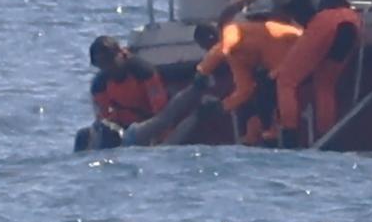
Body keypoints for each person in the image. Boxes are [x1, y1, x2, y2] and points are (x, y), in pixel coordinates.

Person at [219, 0, 372, 147]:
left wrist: (221, 23)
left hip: (323, 23)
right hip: (351, 20)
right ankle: (329, 139)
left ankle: (289, 137)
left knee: (286, 80)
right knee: (325, 84)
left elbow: (240, 2)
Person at [194, 17, 303, 146]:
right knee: (263, 93)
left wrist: (203, 70)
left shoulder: (232, 30)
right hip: (277, 63)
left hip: (296, 44)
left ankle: (289, 133)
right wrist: (222, 107)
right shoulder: (235, 56)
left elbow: (226, 46)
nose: (207, 50)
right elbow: (245, 90)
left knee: (272, 87)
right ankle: (269, 136)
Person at [73, 82, 207, 151]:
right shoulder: (87, 137)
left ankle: (197, 97)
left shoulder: (85, 148)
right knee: (163, 125)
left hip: (126, 140)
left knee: (164, 126)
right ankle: (197, 102)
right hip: (125, 139)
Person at [88, 36, 170, 129]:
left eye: (110, 61)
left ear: (120, 53)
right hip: (122, 130)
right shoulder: (99, 85)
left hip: (148, 127)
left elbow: (160, 110)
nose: (108, 68)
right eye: (101, 65)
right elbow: (102, 120)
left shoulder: (143, 72)